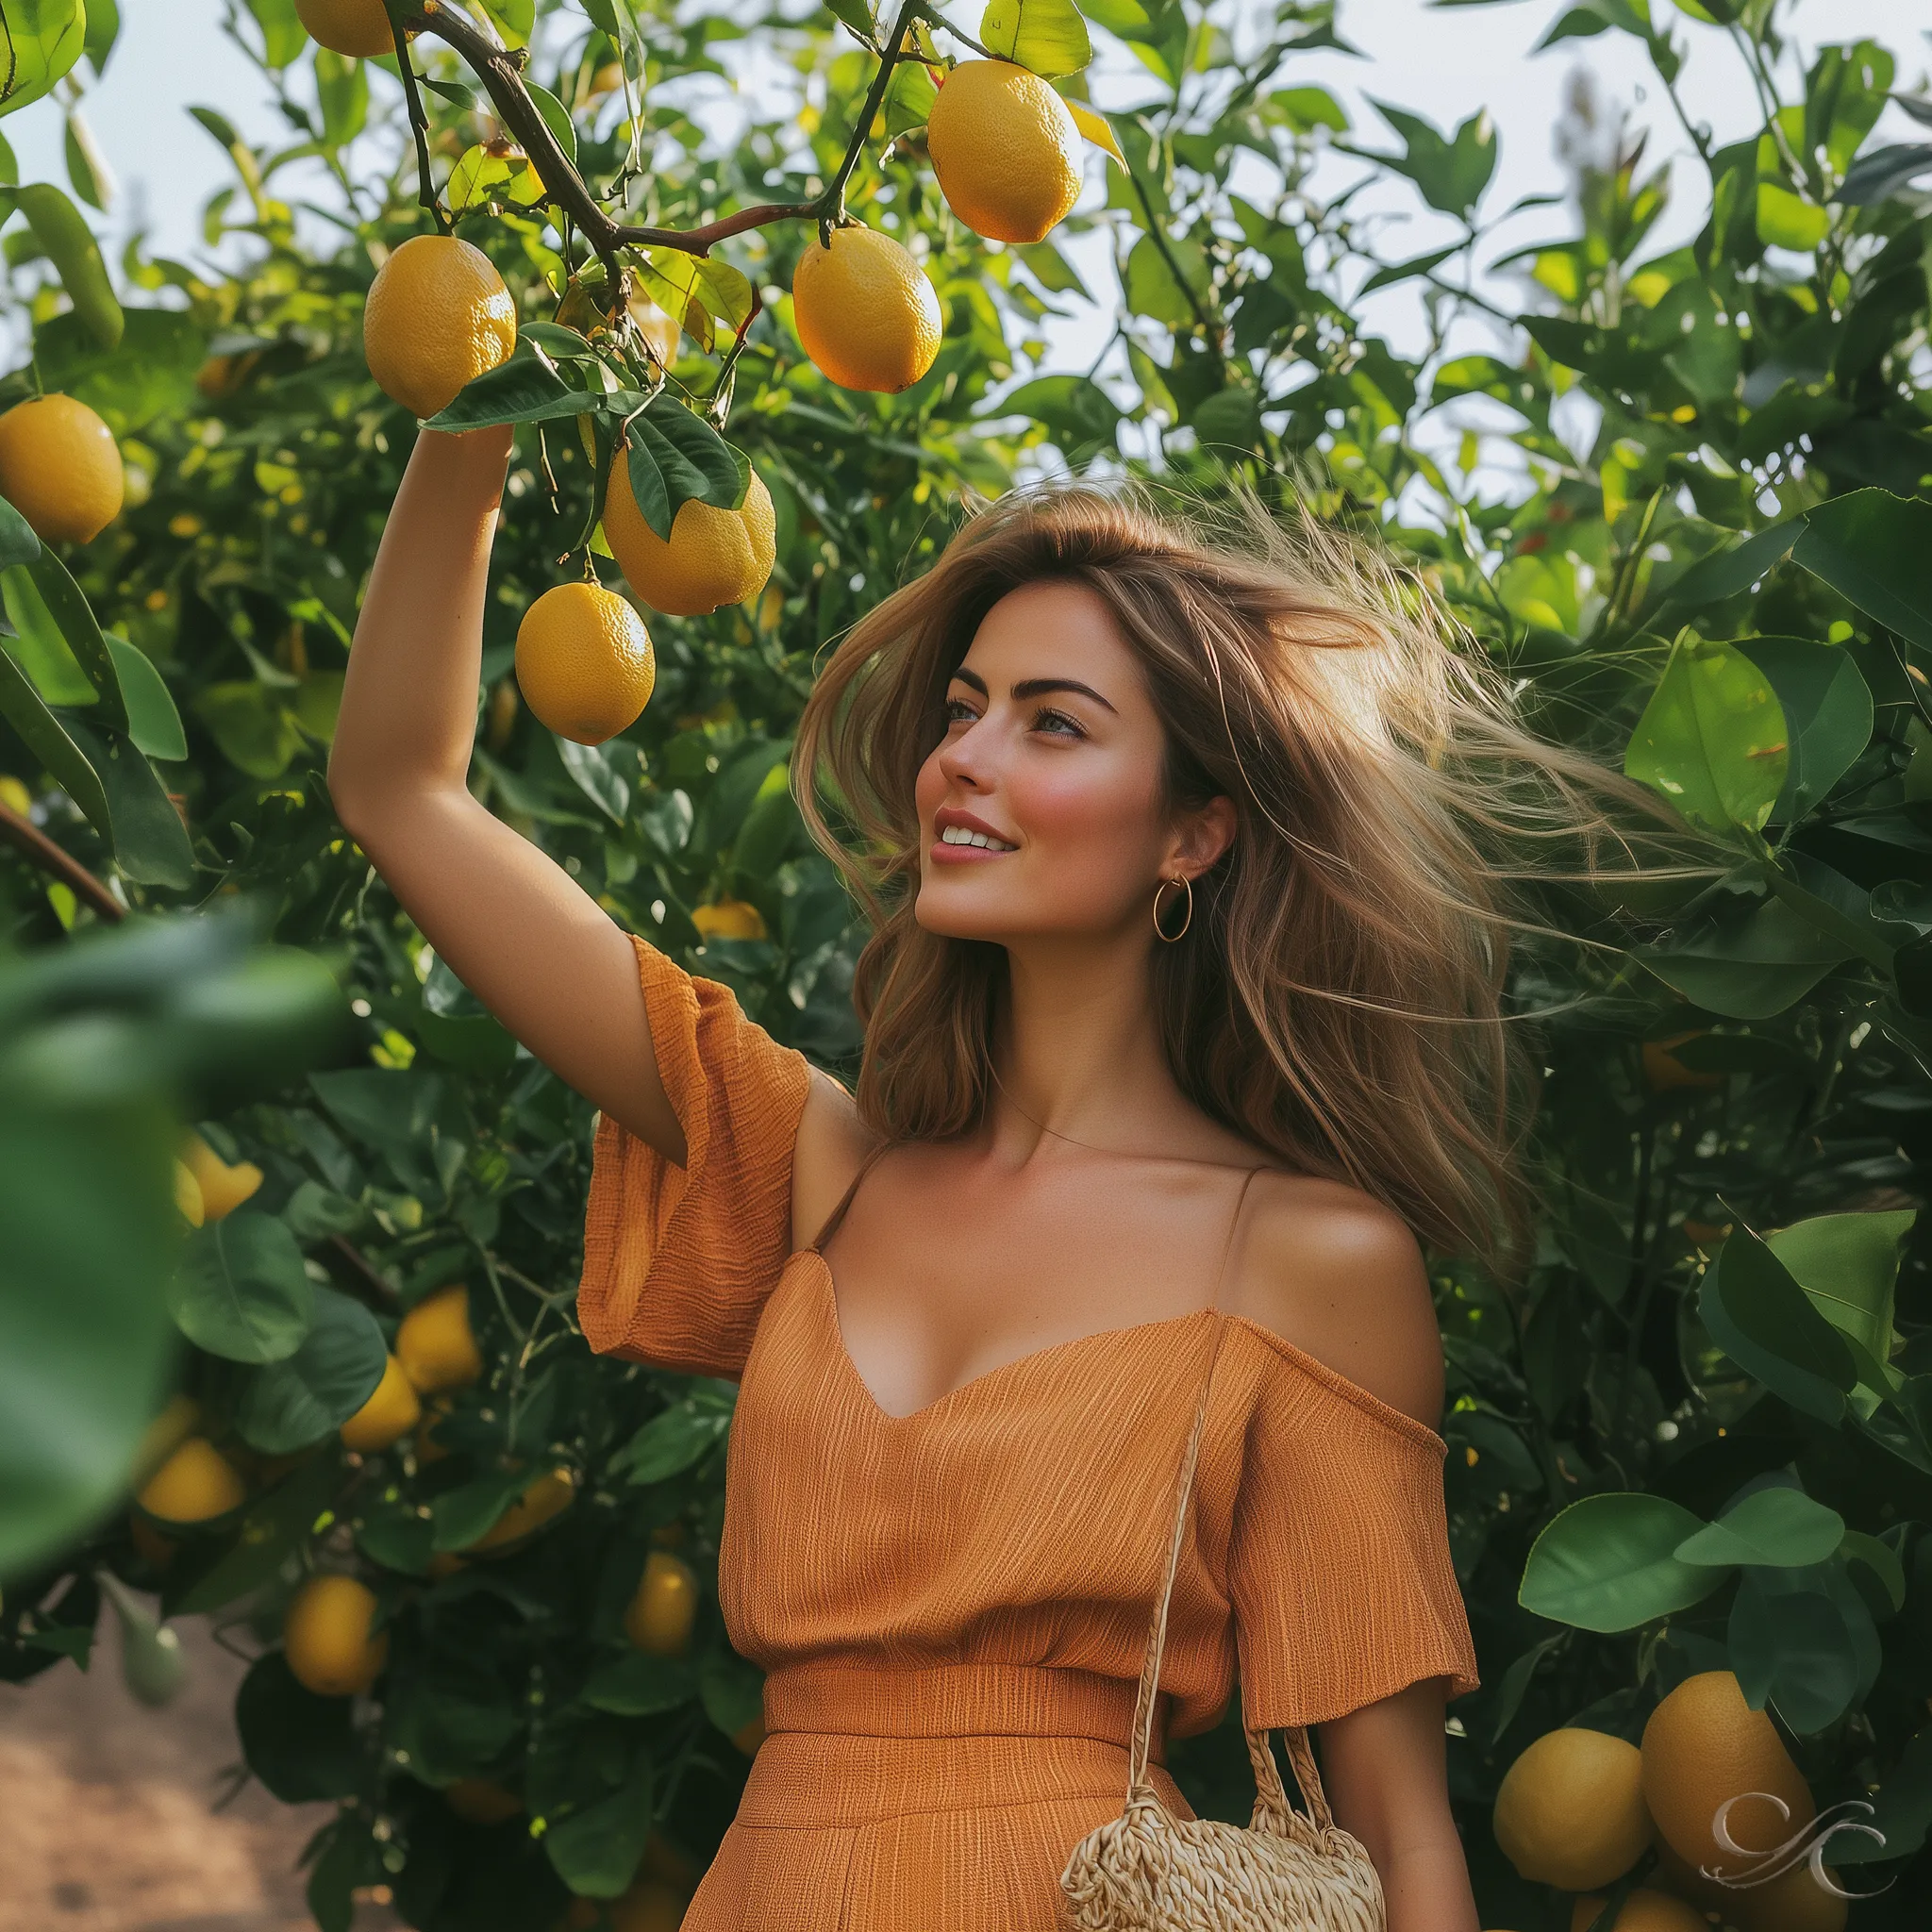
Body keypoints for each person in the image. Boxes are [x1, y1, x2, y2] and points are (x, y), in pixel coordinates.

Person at [328, 425, 1640, 1931]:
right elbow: (397, 788)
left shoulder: (1304, 1258)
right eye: (965, 709)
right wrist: (482, 398)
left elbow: (1402, 1836)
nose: (965, 755)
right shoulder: (822, 1172)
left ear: (1195, 833)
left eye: (1052, 724)